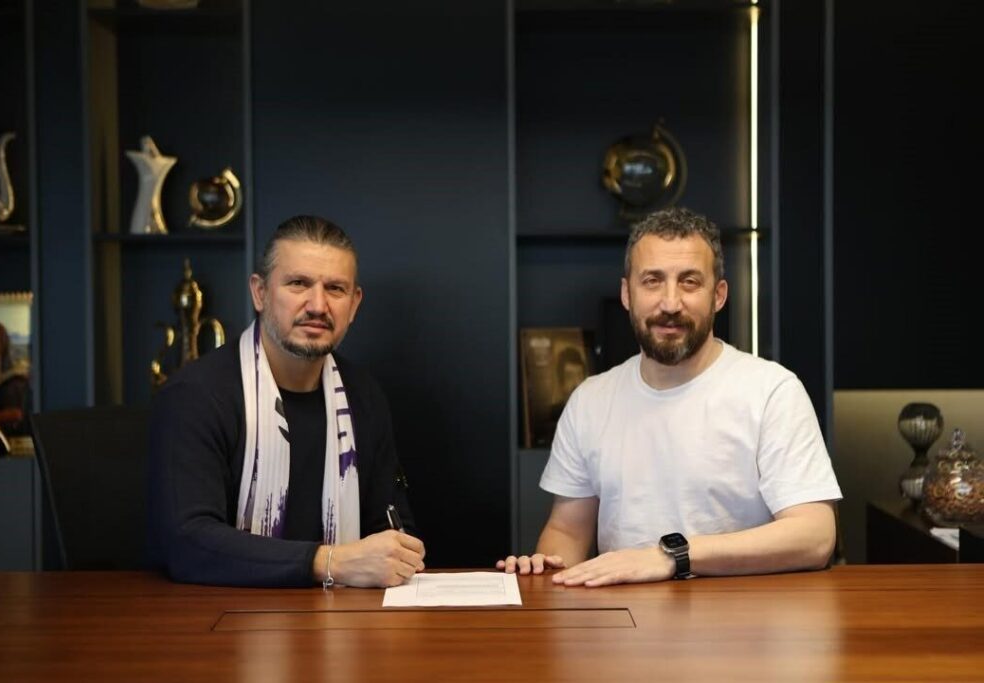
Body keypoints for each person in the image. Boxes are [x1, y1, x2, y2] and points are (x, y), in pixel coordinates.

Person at [498, 207, 841, 586]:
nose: (671, 303)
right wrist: (548, 568)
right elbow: (567, 530)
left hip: (745, 617)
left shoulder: (772, 392)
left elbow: (815, 536)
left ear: (719, 296)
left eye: (690, 282)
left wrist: (672, 556)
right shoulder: (590, 401)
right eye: (652, 281)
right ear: (627, 294)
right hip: (624, 617)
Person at [148, 215, 425, 588]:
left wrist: (400, 554)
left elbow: (392, 527)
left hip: (341, 616)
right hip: (220, 616)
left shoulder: (364, 396)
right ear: (260, 293)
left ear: (354, 305)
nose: (318, 305)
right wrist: (329, 562)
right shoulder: (195, 396)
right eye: (298, 284)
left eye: (335, 289)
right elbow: (187, 543)